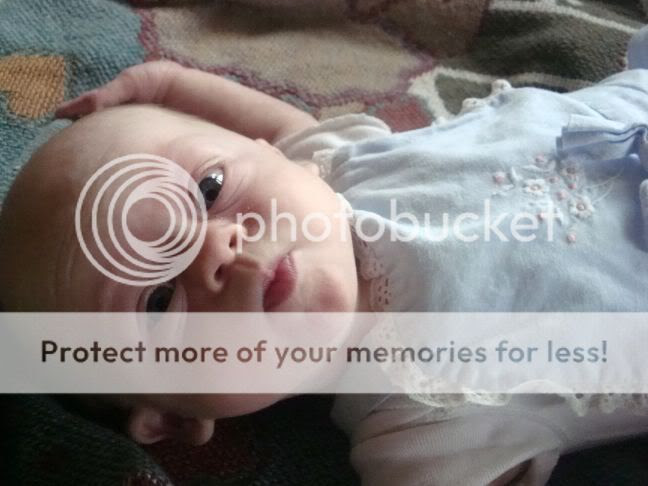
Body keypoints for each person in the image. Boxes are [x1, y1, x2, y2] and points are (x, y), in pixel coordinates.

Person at [2, 25, 648, 485]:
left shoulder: (337, 167)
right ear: (172, 418)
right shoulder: (415, 425)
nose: (215, 249)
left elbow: (271, 128)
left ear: (276, 159)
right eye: (158, 301)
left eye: (207, 190)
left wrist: (164, 81)